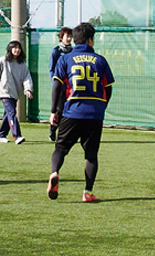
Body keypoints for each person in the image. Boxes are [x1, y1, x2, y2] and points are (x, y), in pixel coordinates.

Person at [48, 22, 113, 202]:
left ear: (75, 40)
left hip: (71, 111)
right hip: (94, 113)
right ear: (90, 40)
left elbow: (56, 87)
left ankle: (55, 173)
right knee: (91, 155)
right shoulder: (100, 60)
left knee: (61, 148)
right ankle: (88, 192)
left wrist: (54, 111)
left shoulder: (65, 59)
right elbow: (108, 88)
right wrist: (101, 106)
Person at [0, 40, 34, 144]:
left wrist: (28, 89)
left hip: (15, 93)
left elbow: (27, 77)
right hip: (4, 92)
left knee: (8, 114)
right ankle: (17, 136)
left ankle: (1, 135)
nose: (17, 50)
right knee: (12, 113)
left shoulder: (22, 64)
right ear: (10, 49)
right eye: (15, 48)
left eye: (19, 48)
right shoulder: (2, 61)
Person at [48, 27, 73, 142]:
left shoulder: (73, 51)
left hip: (71, 87)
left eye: (70, 36)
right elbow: (51, 69)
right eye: (66, 36)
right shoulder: (56, 51)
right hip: (60, 87)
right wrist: (55, 83)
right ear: (61, 37)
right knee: (59, 110)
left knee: (69, 110)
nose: (68, 38)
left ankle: (65, 134)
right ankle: (52, 130)